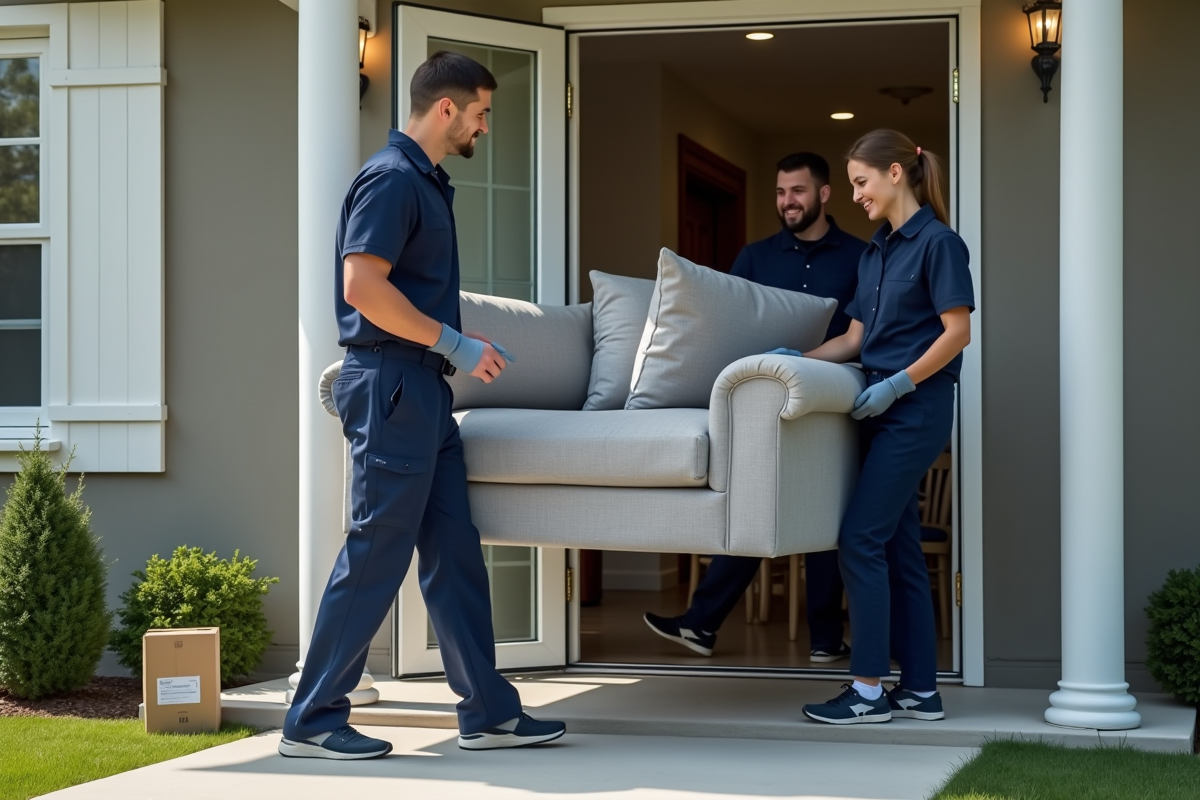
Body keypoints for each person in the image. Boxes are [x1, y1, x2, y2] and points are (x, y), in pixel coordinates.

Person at [279, 51, 565, 760]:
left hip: (424, 390)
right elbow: (362, 286)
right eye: (481, 113)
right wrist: (454, 343)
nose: (485, 127)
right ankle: (312, 719)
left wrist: (457, 348)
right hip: (392, 387)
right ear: (446, 108)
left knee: (454, 552)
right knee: (377, 551)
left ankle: (488, 713)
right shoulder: (392, 179)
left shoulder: (427, 183)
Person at [643, 152, 865, 663]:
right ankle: (701, 624)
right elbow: (730, 324)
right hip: (764, 405)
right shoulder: (753, 258)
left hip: (832, 399)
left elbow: (863, 336)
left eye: (798, 191)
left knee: (825, 511)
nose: (788, 202)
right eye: (781, 192)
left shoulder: (860, 257)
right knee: (756, 508)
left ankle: (826, 639)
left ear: (824, 193)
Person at [797, 130, 974, 724]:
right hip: (876, 411)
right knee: (897, 547)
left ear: (896, 173)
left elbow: (957, 332)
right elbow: (853, 338)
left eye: (861, 182)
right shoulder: (875, 252)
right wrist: (793, 360)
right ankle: (920, 690)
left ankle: (868, 691)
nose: (854, 195)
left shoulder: (940, 244)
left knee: (859, 539)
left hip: (915, 410)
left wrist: (899, 383)